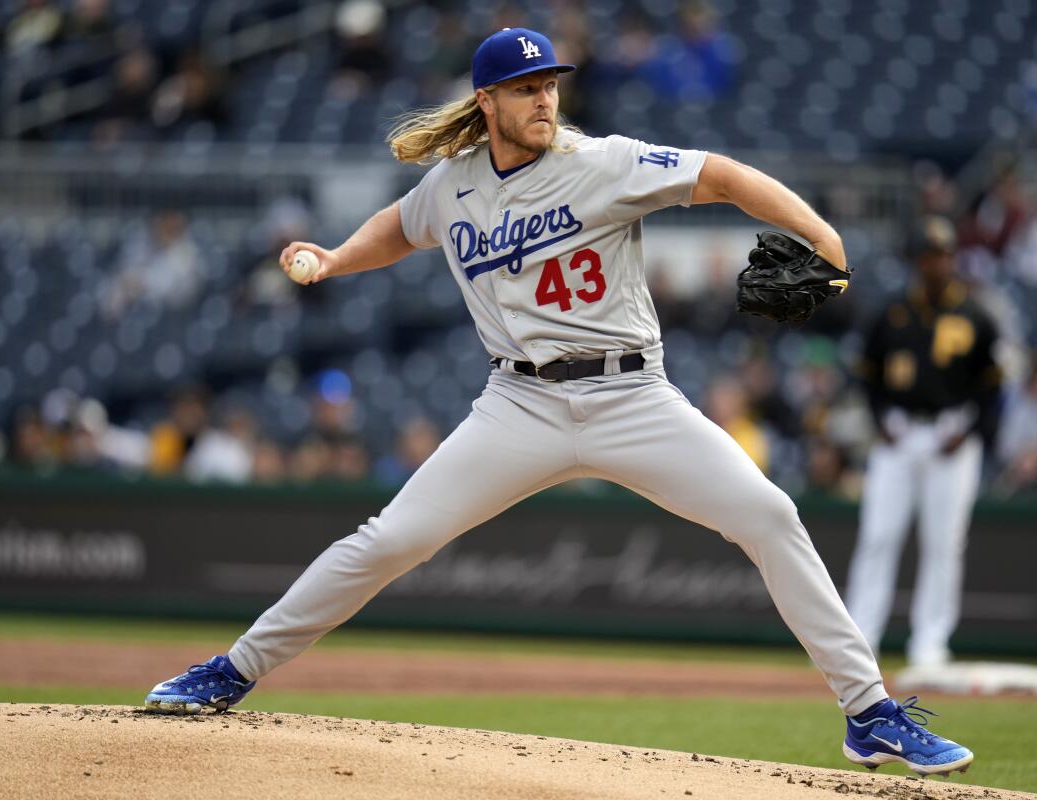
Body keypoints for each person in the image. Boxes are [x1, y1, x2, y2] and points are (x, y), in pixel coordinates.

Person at [143, 28, 973, 777]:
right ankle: (234, 669)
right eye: (526, 88)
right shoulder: (454, 185)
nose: (545, 99)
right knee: (390, 539)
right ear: (487, 101)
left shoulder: (600, 161)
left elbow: (721, 176)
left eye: (550, 84)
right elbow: (399, 228)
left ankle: (869, 714)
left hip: (632, 395)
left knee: (769, 515)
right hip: (519, 405)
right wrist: (332, 258)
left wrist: (823, 234)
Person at [846, 216, 1001, 669]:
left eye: (942, 254)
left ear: (952, 259)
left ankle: (930, 642)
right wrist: (879, 421)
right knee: (878, 535)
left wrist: (969, 432)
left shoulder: (975, 314)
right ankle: (860, 639)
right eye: (928, 255)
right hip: (898, 432)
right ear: (916, 261)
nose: (936, 263)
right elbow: (866, 376)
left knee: (943, 542)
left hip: (950, 432)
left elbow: (992, 388)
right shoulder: (892, 312)